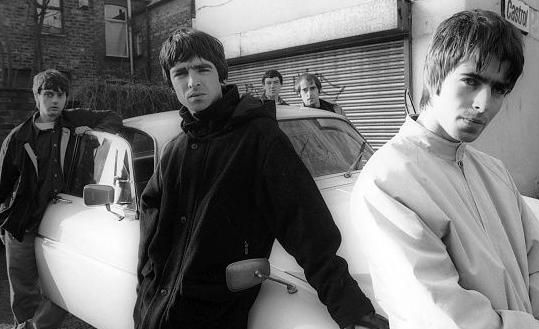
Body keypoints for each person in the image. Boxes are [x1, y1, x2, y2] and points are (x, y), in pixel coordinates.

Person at [134, 28, 388, 329]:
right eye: (180, 73)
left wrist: (353, 311)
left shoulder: (259, 139)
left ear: (221, 74)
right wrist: (145, 298)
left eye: (203, 69)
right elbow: (150, 234)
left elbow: (307, 227)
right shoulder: (173, 152)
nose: (193, 82)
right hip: (156, 315)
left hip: (214, 318)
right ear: (170, 82)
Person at [351, 9, 539, 329]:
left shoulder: (493, 171)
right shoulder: (388, 181)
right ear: (434, 76)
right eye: (471, 81)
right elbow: (445, 317)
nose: (484, 104)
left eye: (499, 89)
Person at [0, 69, 123, 329]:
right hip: (24, 224)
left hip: (63, 222)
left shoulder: (73, 119)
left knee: (64, 286)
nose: (55, 101)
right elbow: (2, 187)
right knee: (23, 291)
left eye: (60, 95)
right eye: (48, 94)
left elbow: (113, 117)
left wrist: (92, 131)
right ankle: (23, 324)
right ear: (36, 97)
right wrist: (4, 224)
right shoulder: (18, 138)